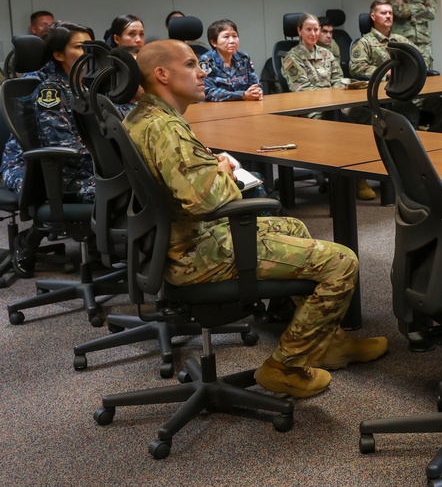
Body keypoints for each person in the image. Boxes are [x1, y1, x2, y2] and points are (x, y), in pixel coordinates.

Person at [125, 40, 387, 398]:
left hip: (175, 242)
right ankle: (285, 367)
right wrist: (222, 168)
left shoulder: (145, 116)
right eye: (191, 65)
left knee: (292, 225)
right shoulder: (164, 128)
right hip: (196, 251)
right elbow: (207, 200)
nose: (202, 72)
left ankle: (329, 343)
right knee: (342, 262)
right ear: (162, 74)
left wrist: (209, 163)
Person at [1, 21, 104, 203]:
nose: (88, 54)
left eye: (91, 47)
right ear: (58, 55)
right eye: (80, 47)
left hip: (81, 169)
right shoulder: (51, 92)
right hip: (54, 174)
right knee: (126, 193)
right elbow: (65, 147)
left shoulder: (84, 88)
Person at [282, 13, 376, 201]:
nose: (314, 33)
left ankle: (367, 171)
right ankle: (357, 179)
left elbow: (338, 80)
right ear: (299, 31)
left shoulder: (327, 53)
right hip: (311, 111)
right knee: (347, 129)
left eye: (316, 29)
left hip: (335, 106)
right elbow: (303, 90)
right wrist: (331, 93)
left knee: (370, 119)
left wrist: (342, 89)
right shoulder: (291, 57)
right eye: (309, 29)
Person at [350, 0, 442, 133]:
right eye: (383, 13)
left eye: (390, 13)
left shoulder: (400, 39)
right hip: (388, 96)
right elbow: (357, 69)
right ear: (373, 16)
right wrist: (387, 73)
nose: (388, 16)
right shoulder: (364, 43)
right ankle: (413, 151)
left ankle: (434, 143)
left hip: (413, 92)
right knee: (409, 112)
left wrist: (413, 70)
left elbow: (423, 58)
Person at [199, 19, 262, 102]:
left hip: (244, 105)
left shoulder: (244, 58)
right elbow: (207, 91)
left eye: (235, 36)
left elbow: (255, 83)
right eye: (226, 37)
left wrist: (256, 91)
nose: (232, 41)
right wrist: (242, 95)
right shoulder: (206, 61)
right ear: (214, 42)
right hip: (216, 109)